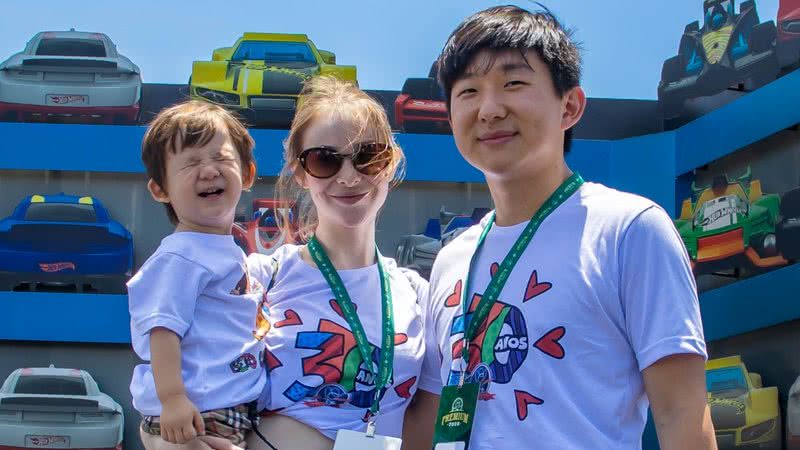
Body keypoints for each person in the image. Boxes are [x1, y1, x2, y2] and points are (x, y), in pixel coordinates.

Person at [419, 5, 717, 450]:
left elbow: (683, 419)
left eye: (513, 83)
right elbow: (430, 417)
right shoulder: (451, 259)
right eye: (468, 91)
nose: (489, 109)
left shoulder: (629, 231)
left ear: (570, 105)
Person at [243, 76, 442, 449]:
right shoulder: (259, 280)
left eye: (368, 156)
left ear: (390, 163)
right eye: (325, 160)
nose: (349, 177)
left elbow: (425, 427)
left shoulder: (418, 296)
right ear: (300, 172)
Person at [128, 100, 268, 449]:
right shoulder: (180, 255)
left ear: (247, 174)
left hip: (227, 410)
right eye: (190, 163)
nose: (209, 171)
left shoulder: (229, 250)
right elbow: (162, 330)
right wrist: (172, 399)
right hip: (195, 414)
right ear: (160, 190)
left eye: (221, 159)